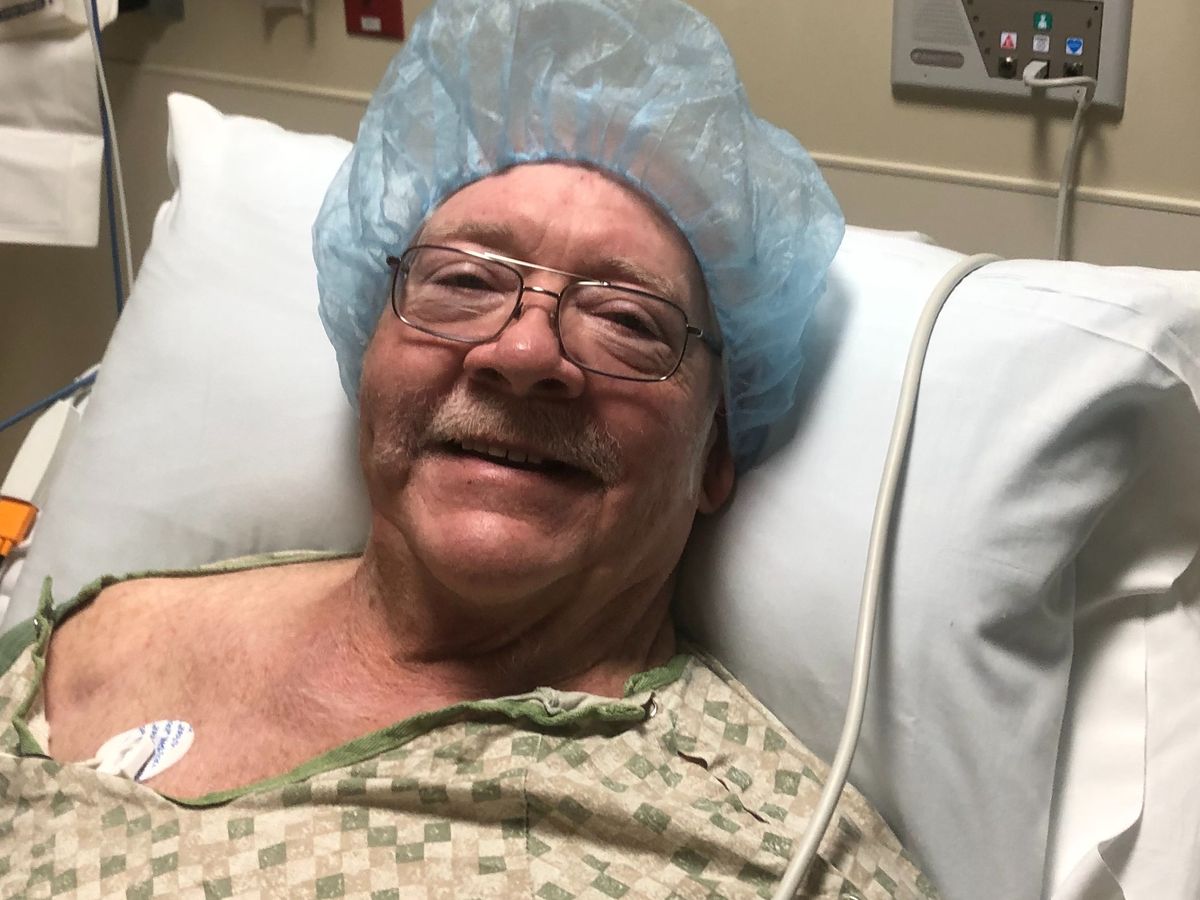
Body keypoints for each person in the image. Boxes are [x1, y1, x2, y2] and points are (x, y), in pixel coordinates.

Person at [0, 1, 937, 897]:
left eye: (626, 319)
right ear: (368, 353)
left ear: (716, 451)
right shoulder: (97, 630)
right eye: (463, 281)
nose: (524, 354)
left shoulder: (775, 859)